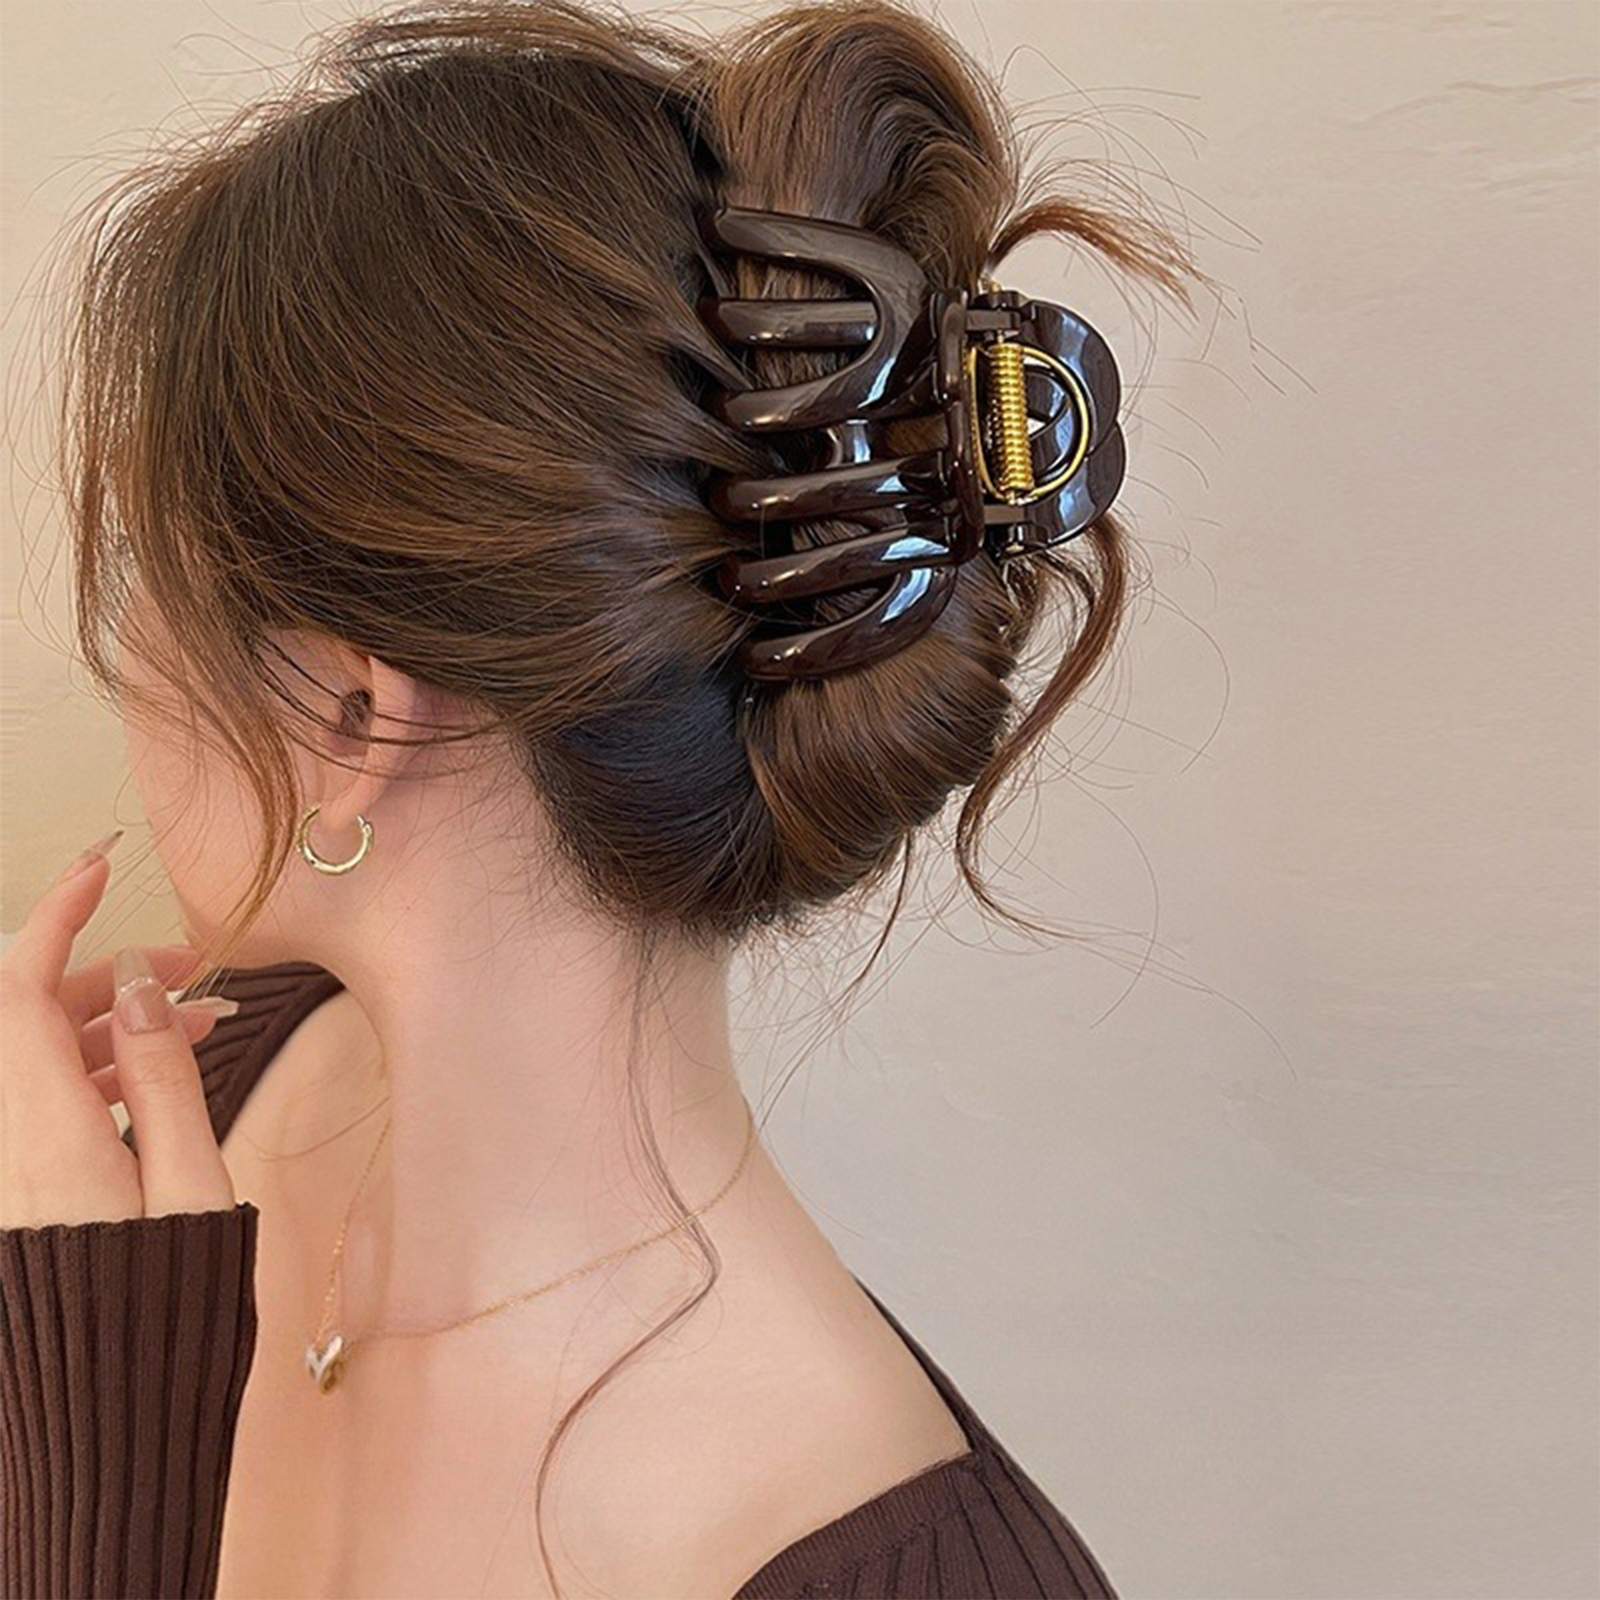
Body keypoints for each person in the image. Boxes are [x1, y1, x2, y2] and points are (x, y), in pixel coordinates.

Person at [0, 2, 1199, 1595]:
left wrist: (94, 1433)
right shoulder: (169, 1114)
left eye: (151, 568)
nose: (121, 652)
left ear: (351, 714)